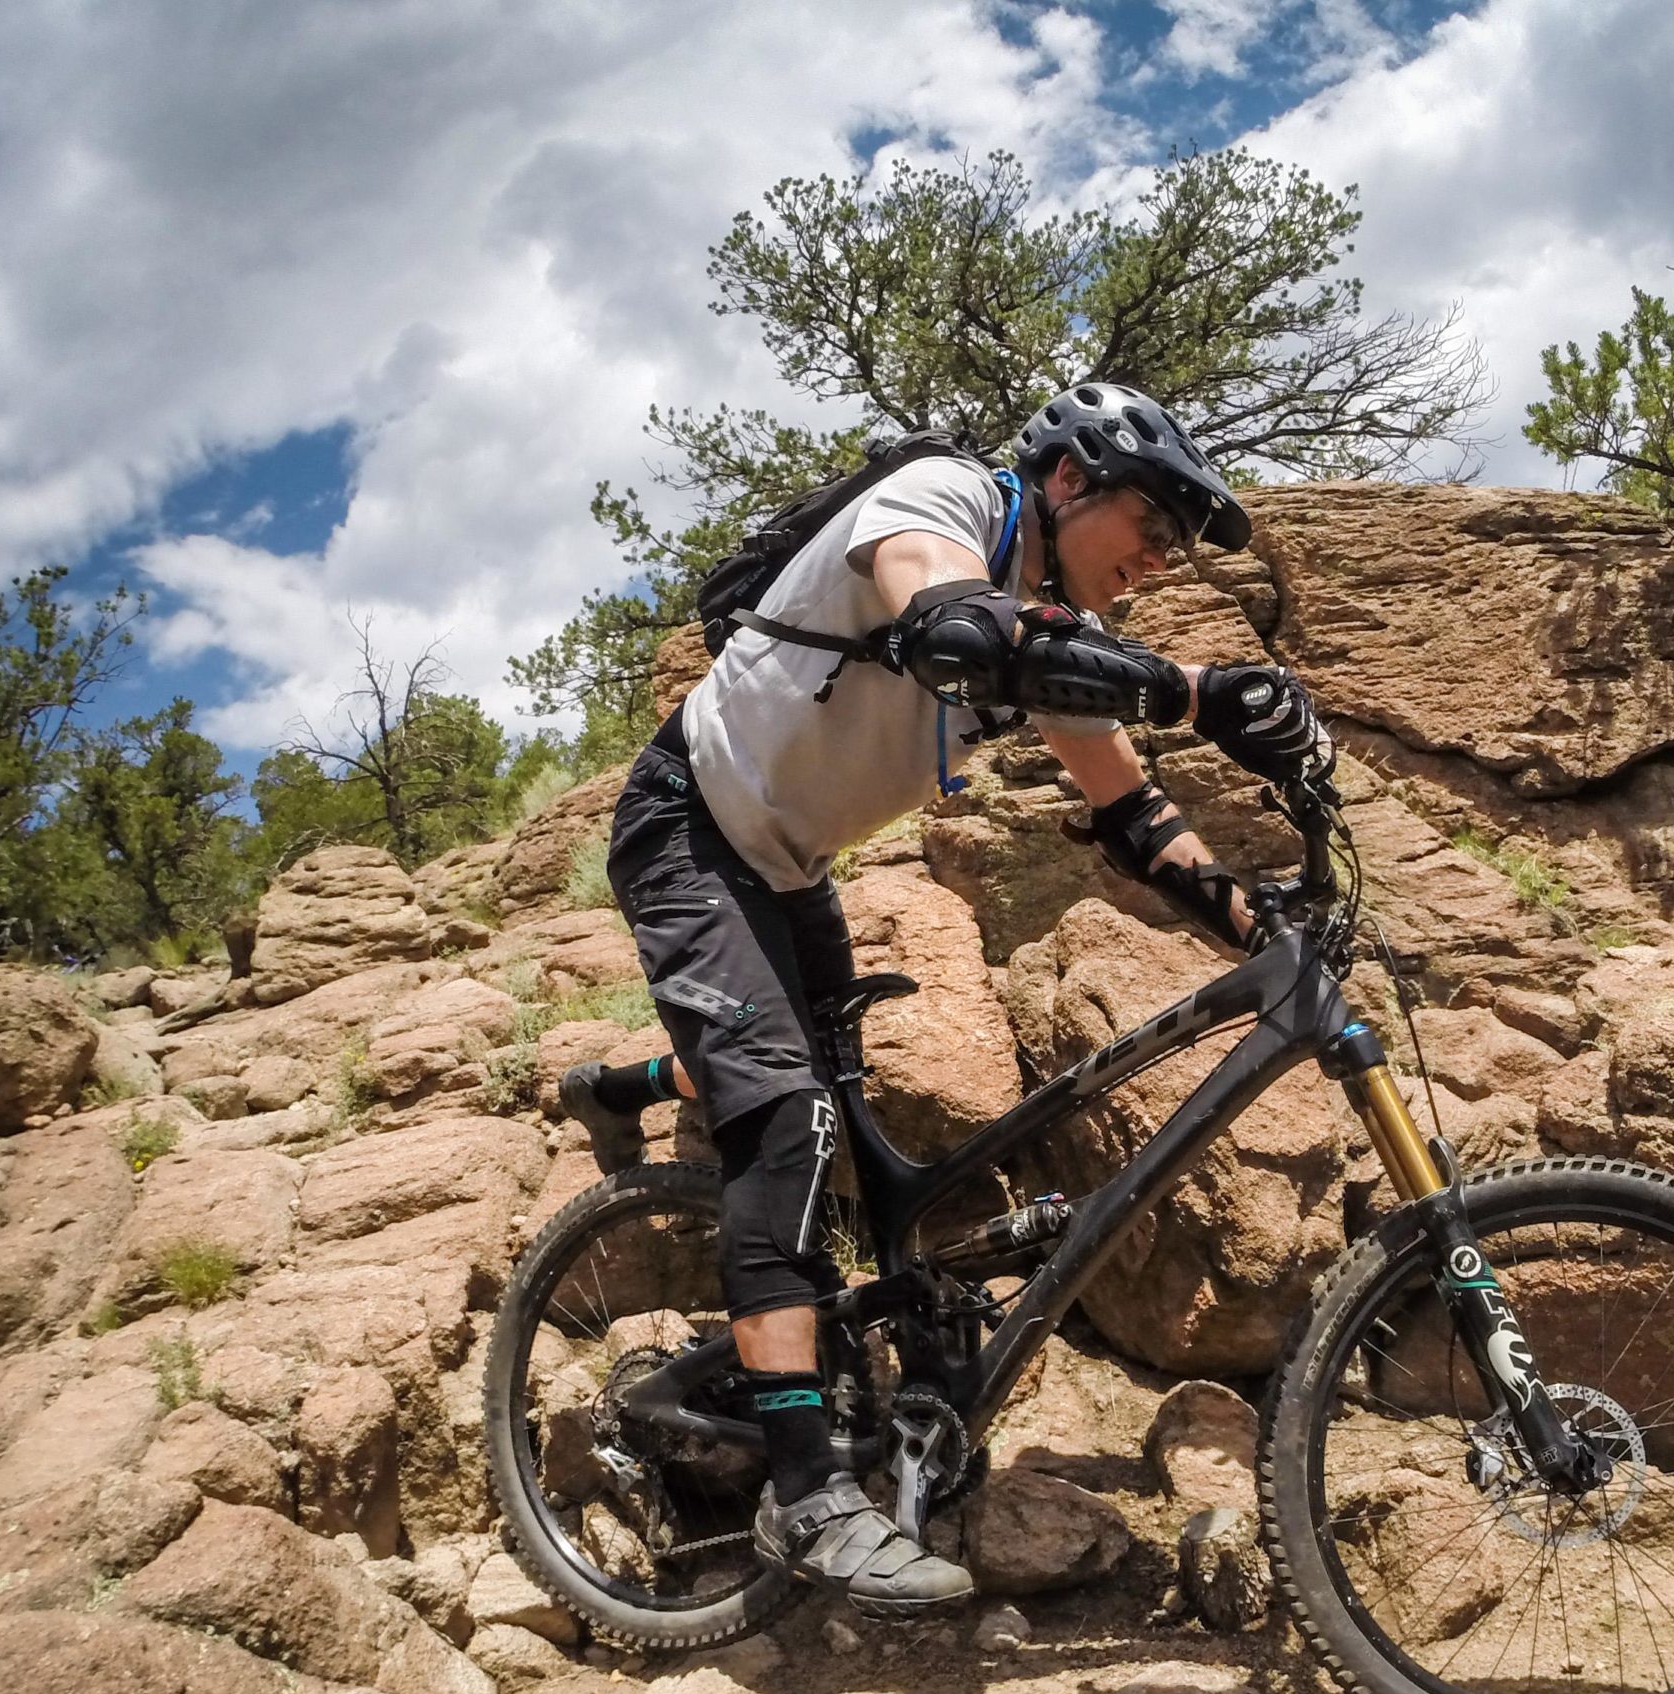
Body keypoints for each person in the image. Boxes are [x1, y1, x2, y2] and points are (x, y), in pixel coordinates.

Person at [560, 382, 1321, 1620]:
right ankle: (808, 1497)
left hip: (787, 868)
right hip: (691, 829)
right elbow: (955, 625)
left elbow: (1134, 820)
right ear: (1067, 480)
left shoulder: (1051, 630)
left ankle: (634, 1085)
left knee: (817, 1111)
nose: (1158, 560)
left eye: (1177, 545)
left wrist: (1259, 915)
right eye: (1152, 522)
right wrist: (1194, 689)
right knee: (789, 1119)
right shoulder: (942, 500)